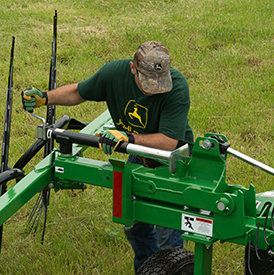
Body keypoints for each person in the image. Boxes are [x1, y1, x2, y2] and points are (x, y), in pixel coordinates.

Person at [22, 40, 194, 273]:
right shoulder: (113, 74)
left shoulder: (177, 87)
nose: (154, 86)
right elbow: (78, 92)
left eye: (158, 80)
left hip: (172, 163)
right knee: (133, 225)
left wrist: (128, 138)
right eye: (147, 80)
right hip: (139, 157)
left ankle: (170, 267)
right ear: (133, 68)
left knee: (168, 234)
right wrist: (45, 97)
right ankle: (147, 268)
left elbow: (168, 142)